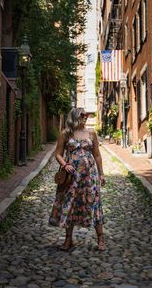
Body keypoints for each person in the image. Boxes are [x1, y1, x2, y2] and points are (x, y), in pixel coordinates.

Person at [49, 107, 106, 251]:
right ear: (74, 117)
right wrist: (65, 164)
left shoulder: (92, 133)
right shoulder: (66, 134)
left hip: (89, 176)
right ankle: (68, 240)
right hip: (72, 177)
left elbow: (97, 155)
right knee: (70, 203)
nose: (85, 118)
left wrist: (101, 174)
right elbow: (58, 154)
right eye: (82, 116)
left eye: (86, 116)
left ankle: (100, 238)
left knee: (94, 203)